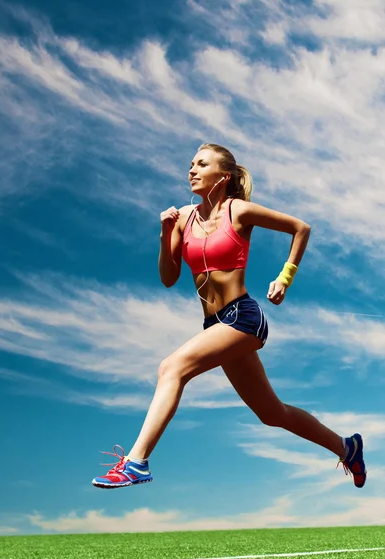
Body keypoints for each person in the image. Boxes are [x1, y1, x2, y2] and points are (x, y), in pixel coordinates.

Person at [92, 143, 366, 490]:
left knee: (171, 368)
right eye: (190, 163)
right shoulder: (182, 220)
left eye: (201, 164)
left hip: (243, 318)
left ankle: (136, 462)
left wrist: (285, 278)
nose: (191, 169)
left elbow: (301, 228)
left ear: (222, 176)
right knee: (272, 414)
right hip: (214, 324)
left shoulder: (238, 211)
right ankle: (347, 447)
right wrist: (165, 233)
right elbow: (168, 278)